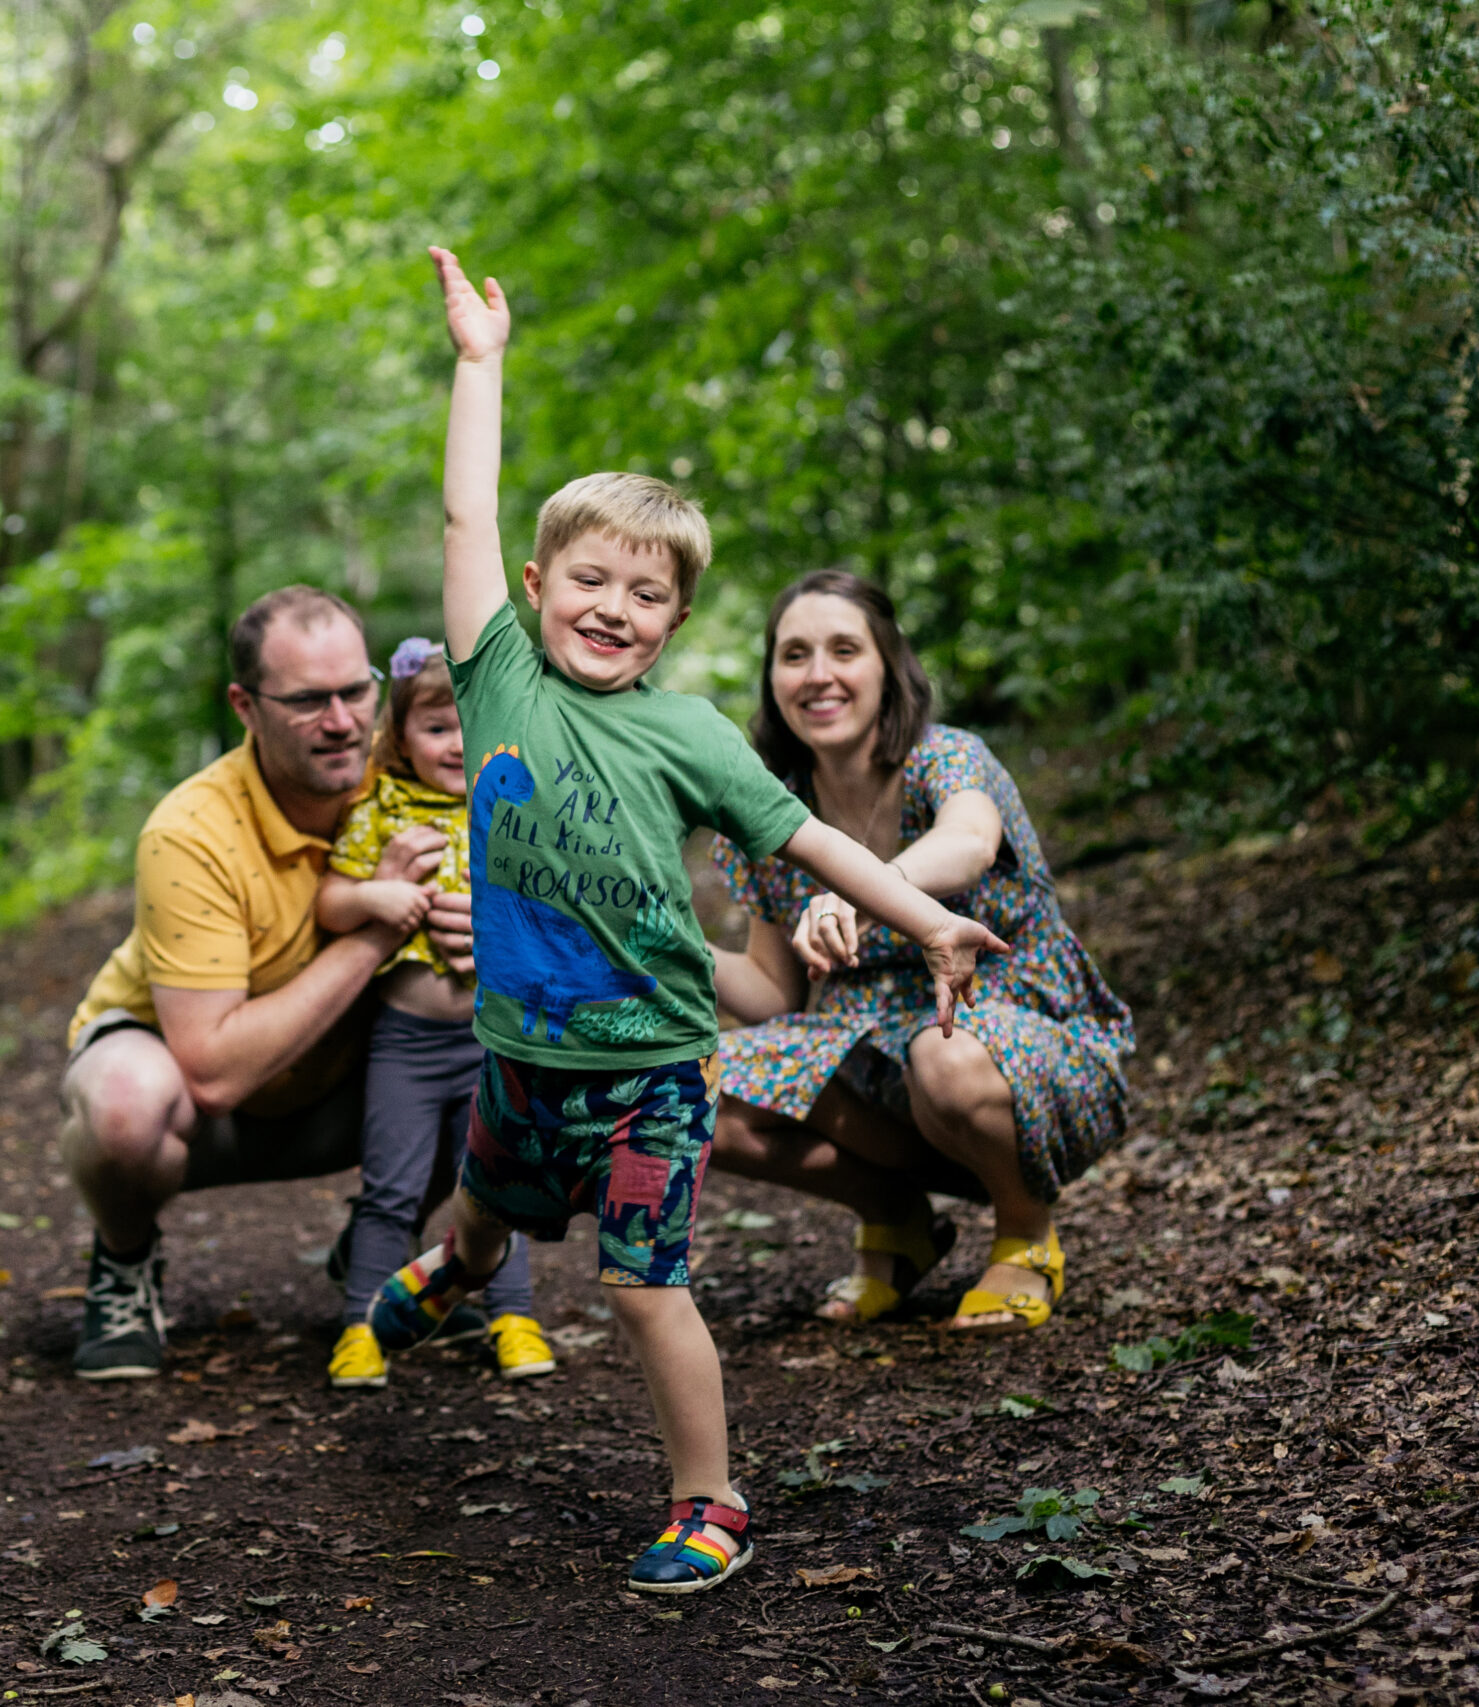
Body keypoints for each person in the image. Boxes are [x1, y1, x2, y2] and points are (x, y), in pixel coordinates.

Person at [360, 247, 1004, 1596]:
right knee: (483, 1209)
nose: (614, 607)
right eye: (590, 580)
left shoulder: (694, 736)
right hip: (520, 1054)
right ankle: (455, 1270)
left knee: (642, 1283)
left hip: (652, 1069)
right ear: (536, 586)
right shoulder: (497, 680)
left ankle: (709, 1500)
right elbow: (464, 516)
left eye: (646, 593)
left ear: (676, 619)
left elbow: (818, 843)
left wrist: (929, 923)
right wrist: (479, 364)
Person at [56, 585, 469, 1379]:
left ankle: (379, 1247)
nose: (343, 721)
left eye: (355, 691)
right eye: (308, 701)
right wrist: (383, 924)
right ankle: (125, 1258)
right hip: (197, 1093)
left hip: (355, 1076)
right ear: (245, 706)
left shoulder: (412, 774)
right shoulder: (192, 831)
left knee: (509, 1054)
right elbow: (211, 1072)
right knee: (123, 1107)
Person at [708, 569, 1135, 1333]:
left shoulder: (947, 758)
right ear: (772, 677)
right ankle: (896, 1218)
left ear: (889, 665)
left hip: (1017, 1050)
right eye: (795, 654)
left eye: (845, 650)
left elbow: (969, 841)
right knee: (692, 1087)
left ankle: (1025, 1232)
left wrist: (870, 890)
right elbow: (773, 994)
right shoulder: (774, 811)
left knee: (944, 1053)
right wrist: (657, 945)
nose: (818, 674)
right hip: (870, 1067)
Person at [312, 637, 557, 1389]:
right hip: (407, 1042)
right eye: (435, 726)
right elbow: (330, 898)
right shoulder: (381, 809)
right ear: (400, 735)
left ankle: (511, 1316)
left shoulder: (512, 802)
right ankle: (361, 1326)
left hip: (494, 1036)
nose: (456, 741)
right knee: (390, 1188)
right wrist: (375, 895)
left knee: (495, 1182)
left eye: (469, 723)